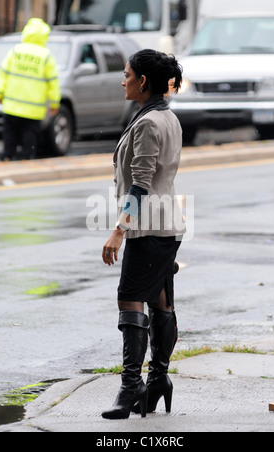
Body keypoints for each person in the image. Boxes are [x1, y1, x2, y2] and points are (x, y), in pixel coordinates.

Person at [101, 49, 185, 420]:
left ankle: (131, 385)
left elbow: (140, 185)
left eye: (127, 74)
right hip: (167, 224)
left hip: (148, 227)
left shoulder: (149, 123)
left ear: (143, 81)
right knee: (161, 301)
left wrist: (119, 231)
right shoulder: (167, 117)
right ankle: (159, 381)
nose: (123, 80)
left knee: (130, 299)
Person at [0, 18, 61, 161]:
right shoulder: (45, 56)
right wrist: (55, 103)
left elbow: (3, 73)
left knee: (10, 136)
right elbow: (52, 82)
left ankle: (7, 158)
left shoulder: (15, 51)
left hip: (11, 105)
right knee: (29, 139)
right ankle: (26, 159)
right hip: (33, 109)